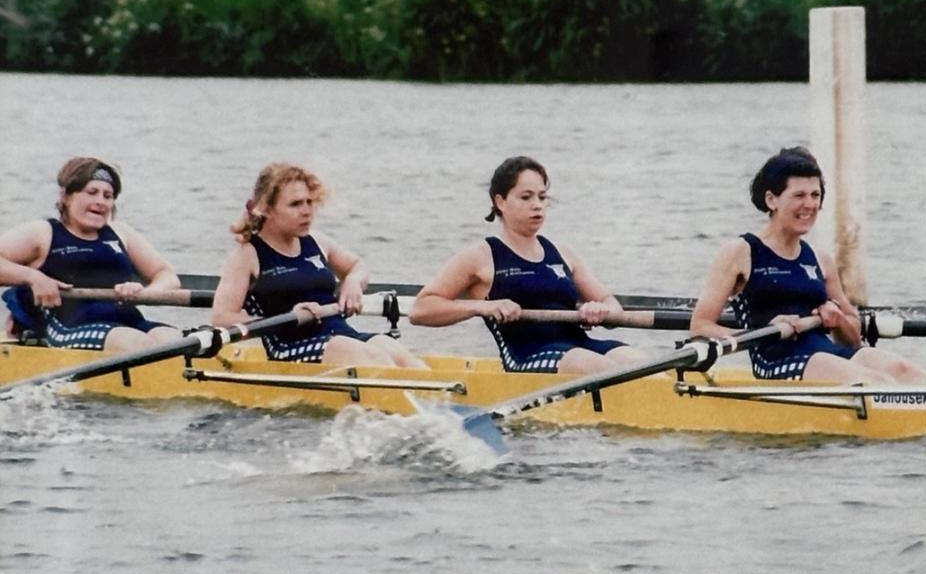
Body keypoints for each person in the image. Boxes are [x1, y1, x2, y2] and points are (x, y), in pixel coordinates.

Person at [689, 146, 926, 384]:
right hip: (777, 362)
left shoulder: (820, 258)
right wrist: (759, 333)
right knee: (873, 382)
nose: (810, 205)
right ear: (771, 199)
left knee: (906, 373)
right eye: (799, 196)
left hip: (828, 355)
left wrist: (837, 320)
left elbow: (853, 339)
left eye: (815, 195)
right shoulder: (740, 252)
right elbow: (700, 326)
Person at [409, 156, 644, 374]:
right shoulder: (480, 256)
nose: (537, 205)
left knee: (643, 365)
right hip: (526, 356)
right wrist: (479, 307)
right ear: (500, 201)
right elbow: (420, 310)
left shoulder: (564, 253)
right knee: (598, 367)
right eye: (526, 197)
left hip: (580, 344)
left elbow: (612, 305)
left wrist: (600, 310)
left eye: (542, 197)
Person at [211, 163, 425, 368]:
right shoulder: (246, 255)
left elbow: (358, 266)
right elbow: (222, 318)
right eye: (295, 204)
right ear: (266, 209)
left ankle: (436, 404)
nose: (307, 211)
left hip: (342, 334)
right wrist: (285, 318)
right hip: (288, 347)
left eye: (309, 202)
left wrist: (352, 283)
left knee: (403, 357)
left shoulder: (317, 241)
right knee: (372, 358)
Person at [0, 157, 181, 352]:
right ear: (66, 197)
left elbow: (166, 275)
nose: (100, 202)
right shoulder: (43, 233)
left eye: (108, 196)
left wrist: (144, 293)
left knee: (172, 340)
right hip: (66, 326)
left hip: (125, 321)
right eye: (92, 193)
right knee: (134, 342)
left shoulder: (120, 233)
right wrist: (33, 277)